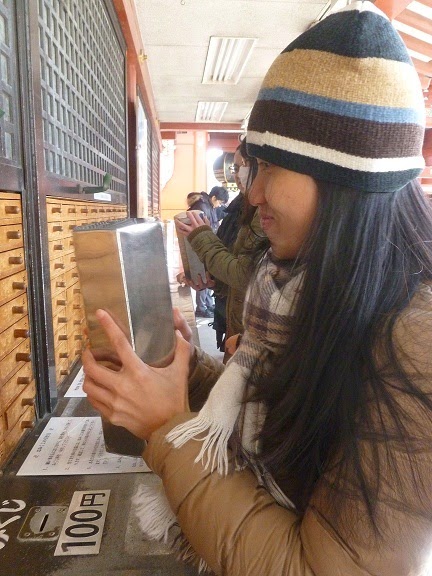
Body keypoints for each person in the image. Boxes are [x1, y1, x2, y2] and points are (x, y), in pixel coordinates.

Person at [82, 3, 432, 574]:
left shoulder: (416, 347)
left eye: (269, 167)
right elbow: (287, 421)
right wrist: (187, 373)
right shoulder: (303, 296)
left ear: (341, 178)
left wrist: (166, 429)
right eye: (254, 168)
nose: (253, 194)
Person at [181, 139, 268, 358]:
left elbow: (243, 273)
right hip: (234, 315)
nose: (236, 175)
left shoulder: (262, 210)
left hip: (248, 326)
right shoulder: (241, 206)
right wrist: (214, 279)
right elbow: (235, 258)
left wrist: (202, 237)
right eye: (234, 168)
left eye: (240, 167)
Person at [186, 186, 229, 318]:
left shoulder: (208, 206)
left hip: (205, 245)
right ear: (214, 198)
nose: (219, 205)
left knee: (208, 275)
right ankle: (201, 307)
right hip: (201, 246)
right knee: (202, 277)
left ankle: (208, 304)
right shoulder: (202, 207)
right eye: (219, 202)